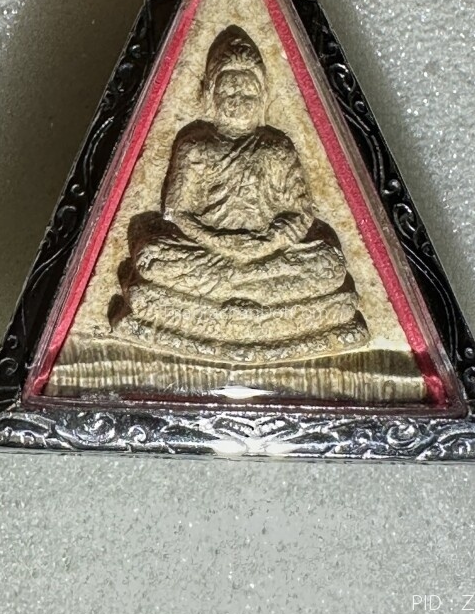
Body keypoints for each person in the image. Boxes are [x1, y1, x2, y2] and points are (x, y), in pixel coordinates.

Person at [111, 25, 368, 362]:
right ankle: (261, 301)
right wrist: (220, 243)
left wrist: (266, 244)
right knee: (153, 257)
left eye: (247, 94)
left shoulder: (277, 147)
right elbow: (177, 213)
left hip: (267, 255)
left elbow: (301, 213)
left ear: (262, 96)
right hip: (208, 251)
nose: (237, 103)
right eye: (228, 92)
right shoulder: (195, 146)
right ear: (211, 93)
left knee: (328, 263)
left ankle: (227, 291)